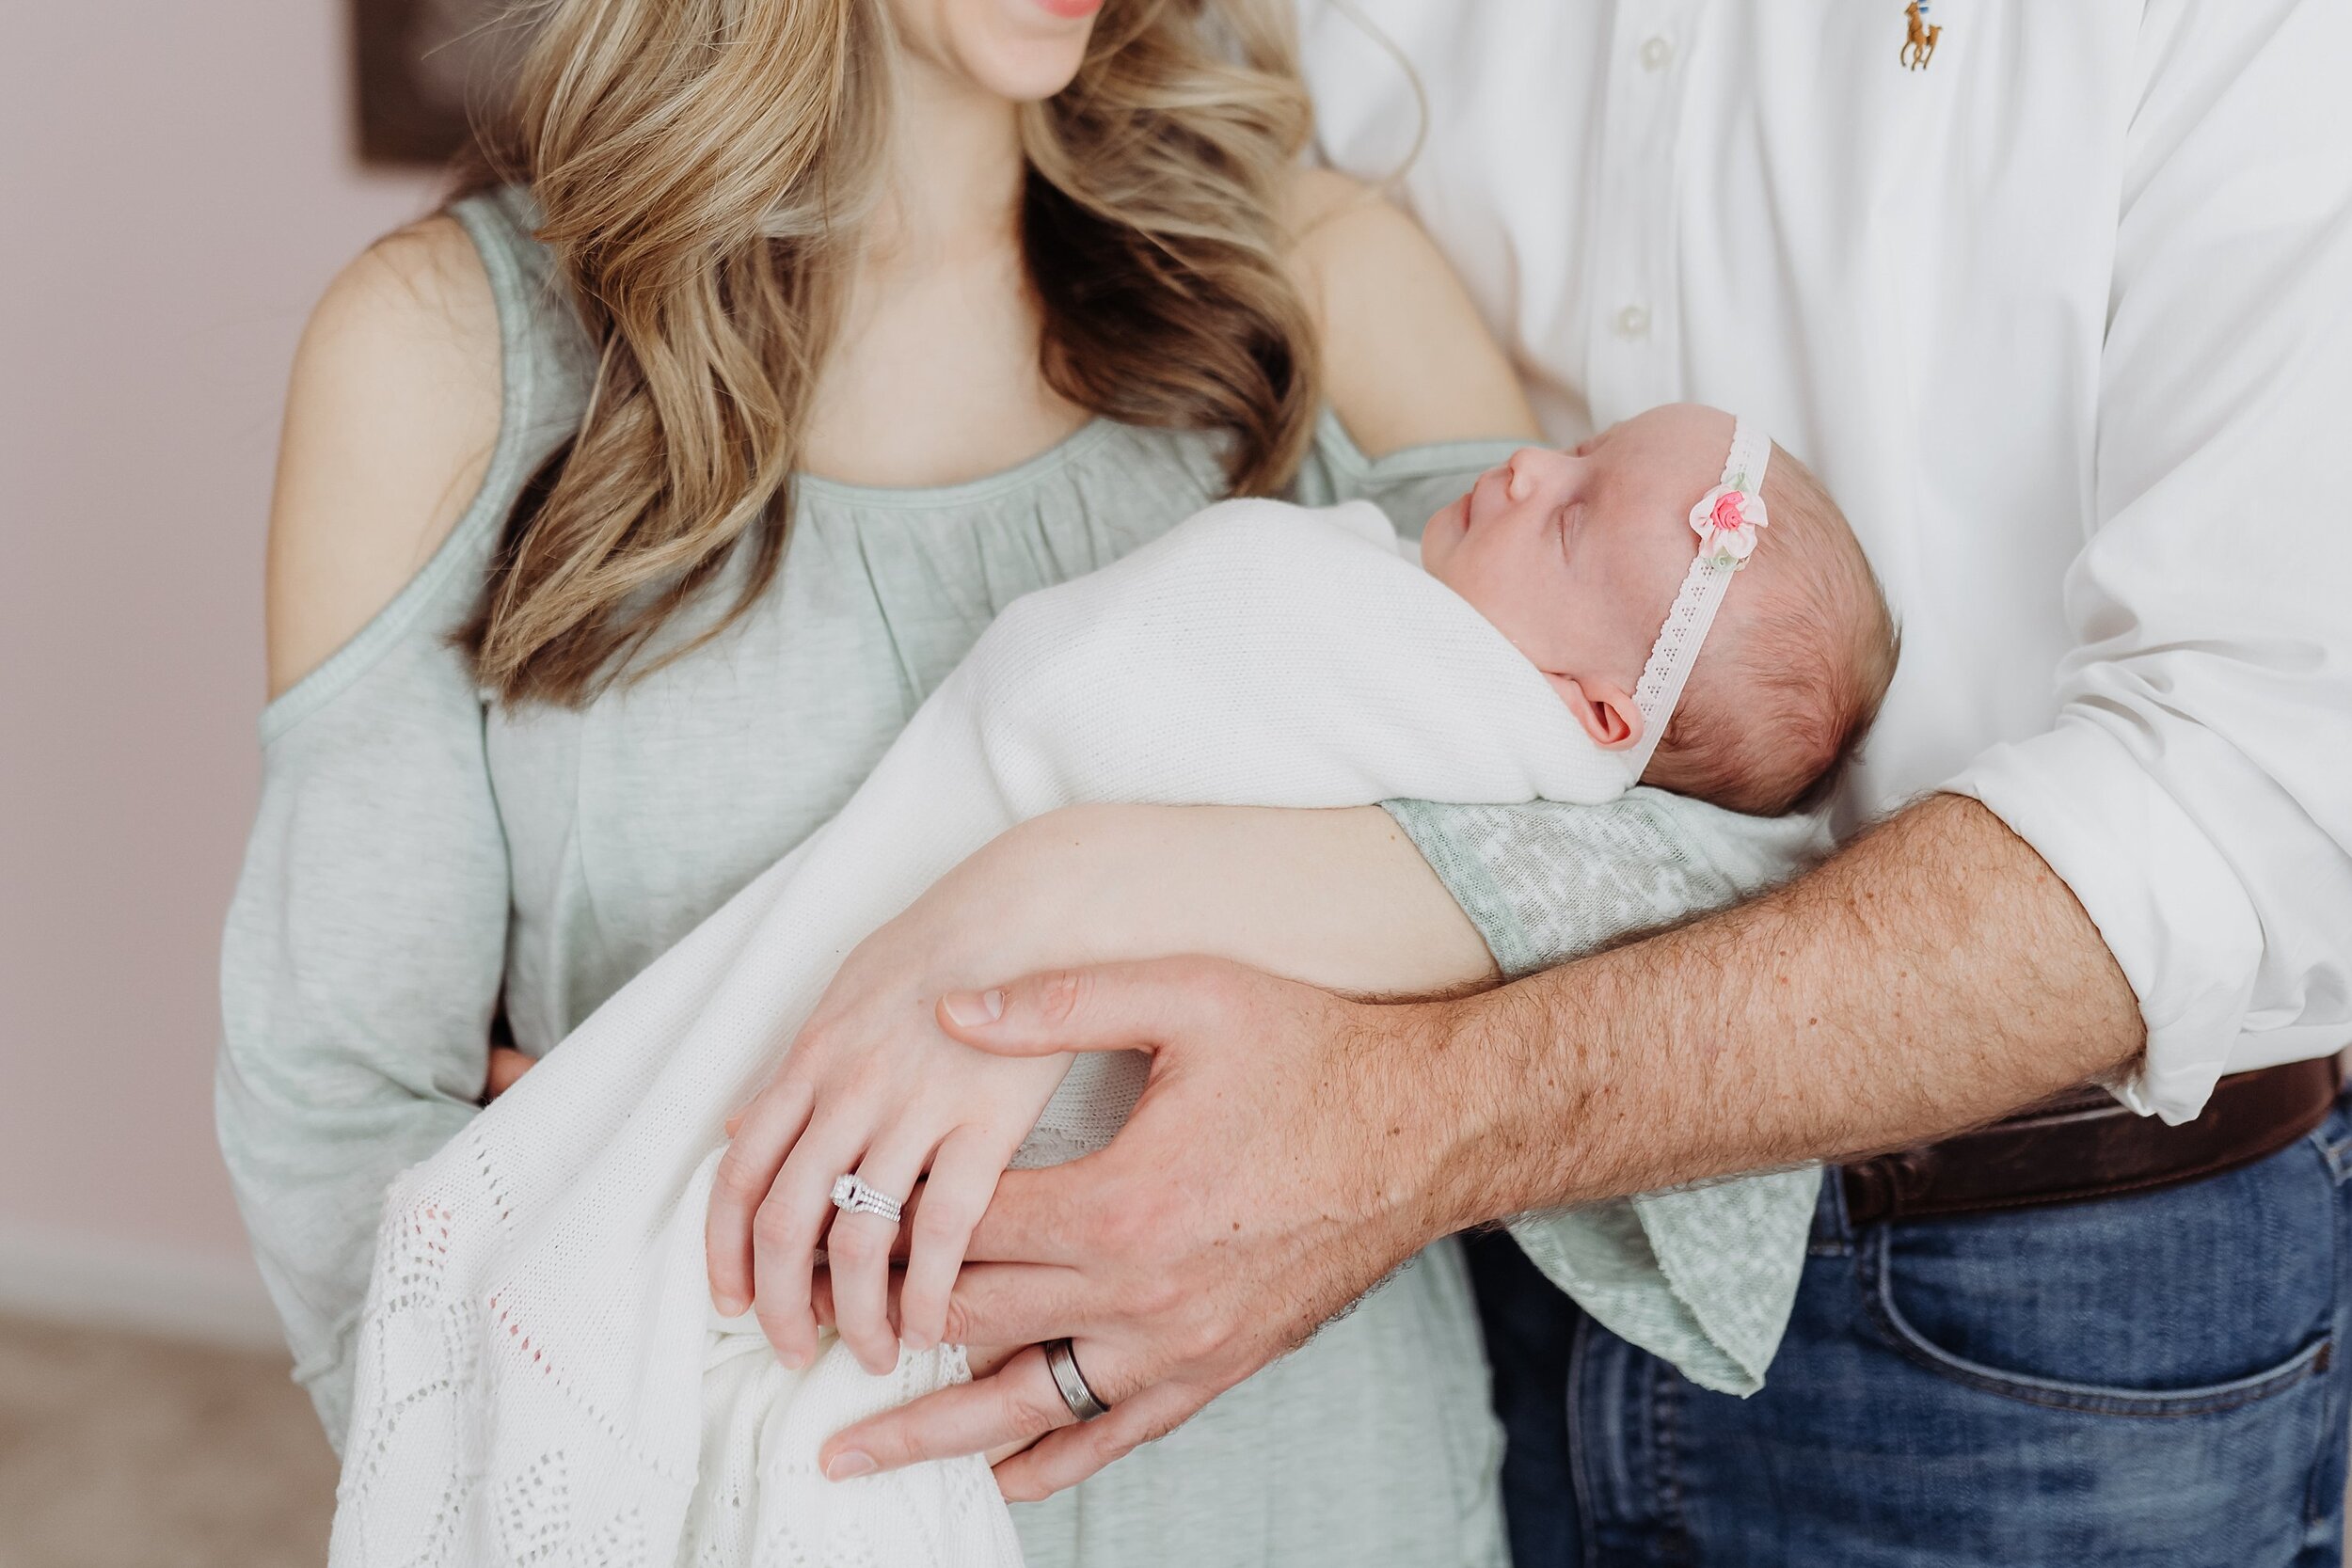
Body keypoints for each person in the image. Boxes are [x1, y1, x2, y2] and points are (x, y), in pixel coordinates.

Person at [795, 4, 2352, 1562]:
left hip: (2026, 1305)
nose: (1536, 484)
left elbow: (2260, 788)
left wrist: (1401, 1125)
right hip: (1430, 1274)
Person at [216, 0, 1579, 1561]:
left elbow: (1638, 847)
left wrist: (1067, 903)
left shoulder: (1317, 276)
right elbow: (343, 1112)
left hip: (1308, 1500)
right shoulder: (443, 354)